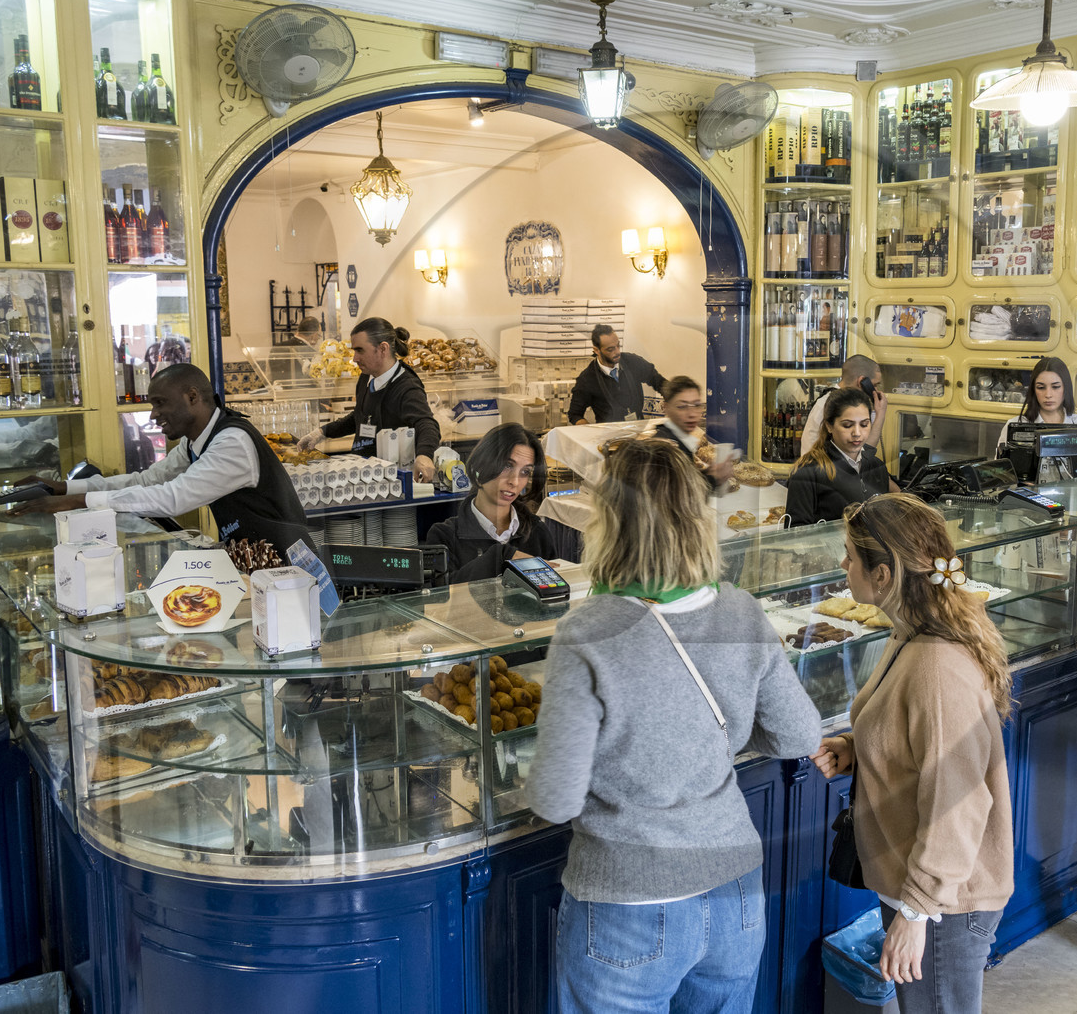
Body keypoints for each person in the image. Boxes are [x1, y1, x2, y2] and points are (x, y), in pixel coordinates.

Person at [528, 439, 821, 1014]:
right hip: (734, 889)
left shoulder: (587, 632)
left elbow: (555, 799)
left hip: (626, 902)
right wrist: (718, 738)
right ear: (697, 515)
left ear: (607, 520)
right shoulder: (739, 609)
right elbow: (799, 736)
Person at [810, 494, 1014, 1014]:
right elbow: (918, 741)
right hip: (923, 890)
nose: (843, 565)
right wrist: (856, 749)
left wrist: (917, 912)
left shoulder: (936, 666)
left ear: (883, 575)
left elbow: (959, 803)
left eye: (850, 557)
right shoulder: (912, 634)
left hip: (945, 900)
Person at [14, 364, 317, 561]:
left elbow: (172, 498)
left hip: (288, 566)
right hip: (255, 559)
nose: (153, 415)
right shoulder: (194, 442)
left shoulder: (232, 443)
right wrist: (64, 489)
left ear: (192, 397)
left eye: (160, 403)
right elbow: (146, 481)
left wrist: (80, 501)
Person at [298, 317, 440, 482]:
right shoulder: (366, 377)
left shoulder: (407, 387)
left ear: (382, 349)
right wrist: (322, 432)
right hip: (363, 474)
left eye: (360, 350)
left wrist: (424, 455)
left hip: (393, 480)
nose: (354, 358)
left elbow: (427, 424)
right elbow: (360, 415)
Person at [423, 423, 559, 583]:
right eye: (507, 466)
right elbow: (440, 598)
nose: (514, 482)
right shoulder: (444, 536)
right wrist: (499, 558)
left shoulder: (538, 533)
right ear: (482, 462)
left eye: (525, 472)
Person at [785, 388, 896, 527]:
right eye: (847, 425)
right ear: (829, 426)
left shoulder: (877, 466)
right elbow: (795, 535)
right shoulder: (807, 472)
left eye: (864, 424)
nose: (857, 433)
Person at [993, 356, 1077, 462]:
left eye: (1055, 387)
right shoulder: (1014, 425)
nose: (1048, 394)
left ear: (1066, 388)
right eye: (1041, 387)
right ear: (1033, 390)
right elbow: (1000, 471)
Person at [567, 324, 666, 424]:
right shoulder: (586, 379)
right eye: (610, 349)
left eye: (618, 346)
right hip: (609, 435)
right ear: (597, 350)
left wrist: (671, 399)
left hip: (638, 428)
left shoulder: (633, 362)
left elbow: (659, 381)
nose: (617, 352)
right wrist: (590, 432)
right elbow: (574, 414)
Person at [654, 375, 734, 490]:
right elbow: (679, 494)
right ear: (666, 408)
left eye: (696, 405)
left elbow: (684, 478)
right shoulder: (665, 447)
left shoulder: (681, 440)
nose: (692, 414)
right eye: (682, 406)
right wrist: (714, 479)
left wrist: (708, 472)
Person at [800, 354, 887, 454]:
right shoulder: (832, 404)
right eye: (874, 385)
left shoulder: (846, 402)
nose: (875, 390)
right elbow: (865, 453)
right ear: (862, 381)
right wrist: (881, 414)